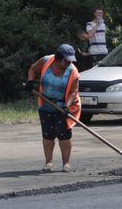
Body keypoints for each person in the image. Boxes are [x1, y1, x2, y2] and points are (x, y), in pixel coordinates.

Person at [27, 44, 82, 172]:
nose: (69, 63)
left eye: (71, 60)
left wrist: (66, 107)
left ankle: (66, 164)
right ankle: (48, 163)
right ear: (59, 58)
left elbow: (74, 92)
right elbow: (32, 69)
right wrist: (30, 81)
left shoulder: (72, 71)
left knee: (64, 135)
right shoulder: (46, 61)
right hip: (45, 104)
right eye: (67, 60)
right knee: (48, 134)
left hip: (63, 106)